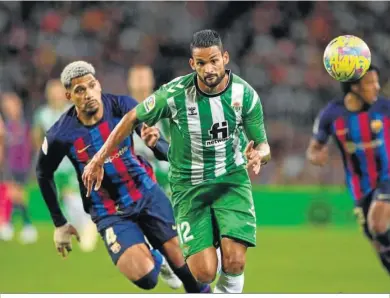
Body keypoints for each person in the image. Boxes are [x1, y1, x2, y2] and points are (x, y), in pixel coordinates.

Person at [82, 29, 270, 293]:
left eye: (214, 60)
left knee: (235, 260)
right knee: (203, 273)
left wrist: (259, 154)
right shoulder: (175, 94)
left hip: (231, 181)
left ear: (225, 58)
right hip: (189, 188)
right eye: (201, 63)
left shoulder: (245, 95)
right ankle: (208, 239)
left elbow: (263, 144)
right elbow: (131, 118)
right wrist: (99, 159)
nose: (209, 69)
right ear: (192, 64)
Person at [35, 60, 210, 293]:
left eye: (91, 85)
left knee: (190, 272)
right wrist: (59, 223)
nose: (88, 93)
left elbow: (154, 141)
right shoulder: (60, 134)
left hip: (145, 191)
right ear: (69, 96)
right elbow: (43, 172)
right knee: (146, 278)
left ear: (98, 85)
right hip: (109, 210)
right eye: (79, 90)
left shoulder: (122, 105)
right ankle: (157, 258)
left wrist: (158, 145)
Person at [306, 65, 390, 275]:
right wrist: (317, 156)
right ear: (354, 87)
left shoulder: (384, 108)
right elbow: (314, 149)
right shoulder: (331, 114)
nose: (377, 87)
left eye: (377, 82)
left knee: (378, 223)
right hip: (360, 189)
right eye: (371, 83)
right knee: (379, 246)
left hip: (387, 177)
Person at [33, 79, 98, 252]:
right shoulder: (42, 114)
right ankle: (84, 227)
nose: (55, 95)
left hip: (71, 163)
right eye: (52, 91)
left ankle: (88, 226)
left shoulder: (72, 112)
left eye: (57, 91)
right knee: (65, 200)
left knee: (71, 196)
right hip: (54, 166)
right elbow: (37, 137)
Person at [0, 92, 37, 244]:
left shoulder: (26, 124)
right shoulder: (5, 126)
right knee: (10, 193)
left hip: (23, 165)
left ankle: (26, 226)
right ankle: (10, 224)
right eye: (7, 107)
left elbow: (33, 145)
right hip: (9, 164)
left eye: (12, 106)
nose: (10, 109)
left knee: (18, 195)